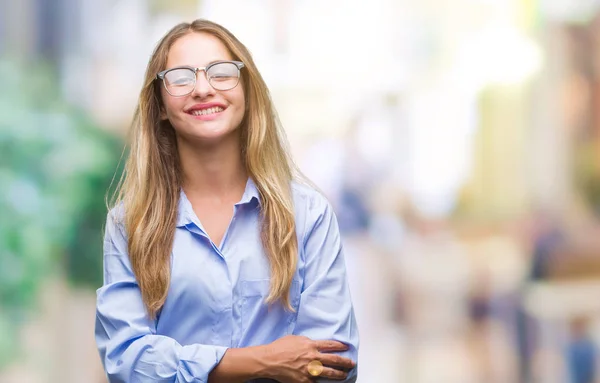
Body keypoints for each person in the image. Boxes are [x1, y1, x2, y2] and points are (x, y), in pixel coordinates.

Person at [95, 19, 359, 383]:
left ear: (247, 92)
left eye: (221, 73)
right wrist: (263, 360)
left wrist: (181, 364)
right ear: (158, 104)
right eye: (181, 77)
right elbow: (128, 362)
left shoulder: (308, 215)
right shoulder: (130, 224)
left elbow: (332, 366)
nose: (203, 89)